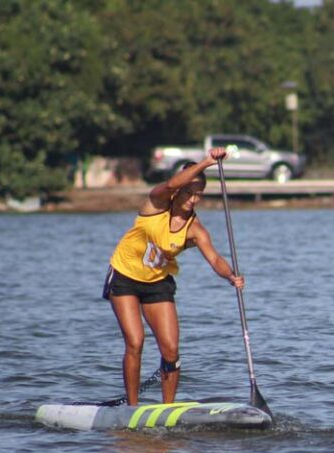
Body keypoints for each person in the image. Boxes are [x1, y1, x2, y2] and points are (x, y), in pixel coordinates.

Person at [103, 148, 244, 405]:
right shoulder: (156, 203)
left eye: (198, 194)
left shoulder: (195, 229)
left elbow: (214, 259)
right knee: (135, 341)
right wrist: (206, 162)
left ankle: (167, 410)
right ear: (179, 190)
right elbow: (169, 183)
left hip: (158, 282)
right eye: (188, 192)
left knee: (170, 350)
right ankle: (132, 408)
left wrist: (231, 276)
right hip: (124, 276)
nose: (192, 199)